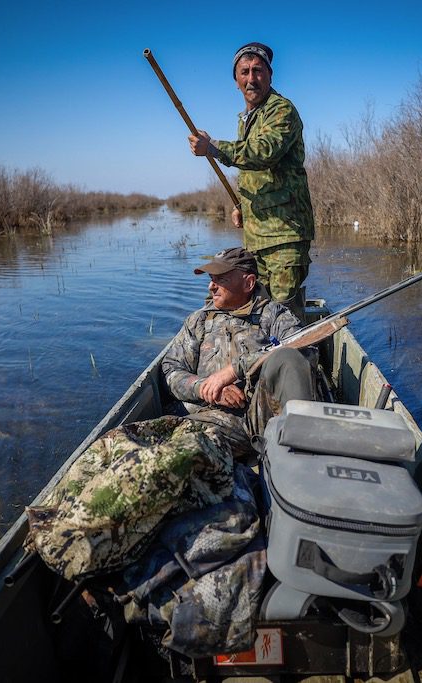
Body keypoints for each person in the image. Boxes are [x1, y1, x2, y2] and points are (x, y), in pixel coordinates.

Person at [188, 42, 314, 320]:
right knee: (260, 314)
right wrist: (242, 205)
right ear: (236, 81)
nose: (251, 78)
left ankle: (300, 362)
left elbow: (263, 152)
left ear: (269, 76)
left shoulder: (282, 110)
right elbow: (256, 174)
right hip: (256, 239)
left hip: (285, 237)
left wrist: (214, 147)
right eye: (244, 72)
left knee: (285, 320)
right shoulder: (246, 119)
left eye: (258, 71)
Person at [162, 247, 313, 455]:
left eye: (220, 280)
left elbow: (303, 351)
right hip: (207, 418)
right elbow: (171, 370)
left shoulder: (275, 316)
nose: (211, 287)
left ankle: (296, 453)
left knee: (287, 355)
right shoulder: (199, 320)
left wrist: (235, 370)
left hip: (261, 418)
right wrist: (206, 388)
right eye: (211, 279)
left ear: (248, 283)